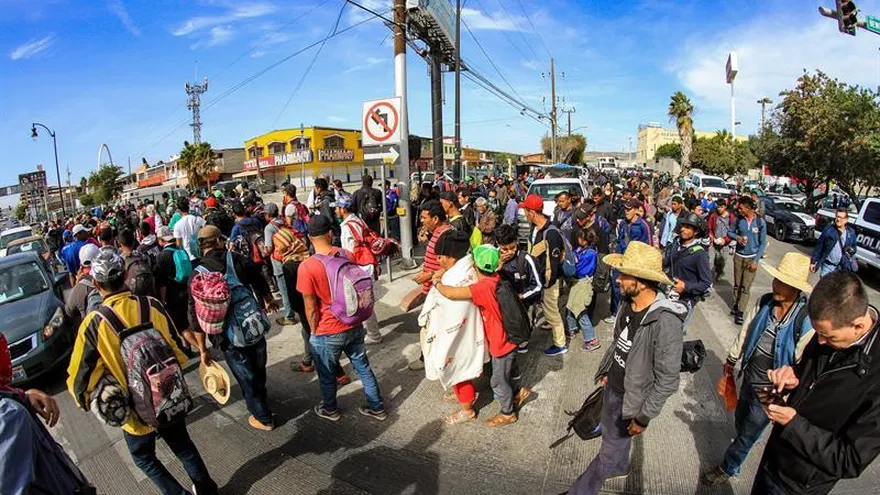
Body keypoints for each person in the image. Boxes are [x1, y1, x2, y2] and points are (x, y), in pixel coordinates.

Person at [67, 249, 218, 494]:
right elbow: (178, 348)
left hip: (134, 411)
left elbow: (80, 378)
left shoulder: (94, 323)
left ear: (96, 284)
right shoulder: (152, 305)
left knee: (144, 458)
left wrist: (88, 402)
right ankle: (206, 489)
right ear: (126, 275)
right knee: (183, 446)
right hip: (166, 394)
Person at [567, 241, 686, 495]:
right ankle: (620, 466)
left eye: (624, 275)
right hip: (613, 388)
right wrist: (608, 372)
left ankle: (581, 491)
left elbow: (667, 380)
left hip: (632, 401)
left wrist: (642, 418)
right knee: (613, 437)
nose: (618, 280)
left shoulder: (665, 322)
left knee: (607, 452)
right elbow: (619, 344)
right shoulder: (627, 303)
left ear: (642, 282)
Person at [751, 271, 880, 495]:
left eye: (828, 337)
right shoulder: (829, 330)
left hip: (799, 485)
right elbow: (812, 369)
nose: (820, 341)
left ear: (858, 326)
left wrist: (793, 424)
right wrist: (794, 373)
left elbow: (849, 459)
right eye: (818, 334)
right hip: (775, 456)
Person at [700, 252, 814, 486]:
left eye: (783, 282)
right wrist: (732, 359)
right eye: (776, 279)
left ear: (796, 288)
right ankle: (740, 450)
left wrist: (789, 392)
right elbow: (746, 331)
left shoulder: (804, 319)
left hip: (771, 393)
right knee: (742, 420)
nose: (776, 285)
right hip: (750, 377)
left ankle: (727, 467)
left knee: (749, 433)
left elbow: (804, 363)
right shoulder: (765, 302)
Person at [297, 216, 387, 422]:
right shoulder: (345, 254)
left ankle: (331, 409)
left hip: (327, 329)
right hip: (353, 322)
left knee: (327, 375)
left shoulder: (307, 267)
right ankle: (377, 407)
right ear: (330, 233)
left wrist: (313, 333)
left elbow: (310, 309)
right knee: (363, 368)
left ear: (309, 238)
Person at [189, 226, 278, 431]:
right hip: (252, 325)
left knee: (245, 375)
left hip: (226, 336)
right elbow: (258, 278)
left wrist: (203, 348)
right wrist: (268, 299)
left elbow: (195, 316)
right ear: (219, 240)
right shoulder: (236, 259)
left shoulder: (197, 275)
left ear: (200, 246)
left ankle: (263, 417)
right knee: (258, 367)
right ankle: (261, 398)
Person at [433, 244, 532, 427]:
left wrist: (437, 282)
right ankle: (518, 392)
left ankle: (508, 412)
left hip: (501, 343)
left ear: (476, 267)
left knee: (498, 381)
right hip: (508, 338)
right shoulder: (495, 278)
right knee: (507, 372)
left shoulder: (483, 288)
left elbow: (451, 293)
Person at [418, 230, 484, 424]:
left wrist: (437, 283)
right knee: (459, 366)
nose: (438, 261)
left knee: (455, 364)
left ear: (452, 257)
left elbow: (452, 302)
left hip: (455, 333)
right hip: (464, 332)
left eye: (440, 257)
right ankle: (462, 396)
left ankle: (467, 410)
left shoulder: (455, 280)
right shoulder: (467, 269)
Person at [522, 193, 568, 356]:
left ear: (532, 212)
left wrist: (547, 283)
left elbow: (554, 263)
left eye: (525, 211)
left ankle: (560, 343)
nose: (524, 214)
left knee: (551, 312)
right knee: (530, 310)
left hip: (548, 282)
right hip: (535, 280)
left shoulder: (551, 233)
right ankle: (524, 340)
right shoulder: (534, 229)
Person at [335, 196, 383, 344]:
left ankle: (374, 335)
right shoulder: (357, 220)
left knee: (363, 302)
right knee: (364, 300)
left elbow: (348, 252)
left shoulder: (346, 227)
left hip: (359, 266)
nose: (335, 210)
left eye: (337, 207)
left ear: (343, 209)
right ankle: (370, 329)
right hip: (368, 264)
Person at [606, 198, 653, 324]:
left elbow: (648, 246)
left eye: (629, 209)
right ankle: (615, 313)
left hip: (635, 264)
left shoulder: (644, 226)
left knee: (631, 290)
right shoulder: (622, 224)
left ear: (637, 210)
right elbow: (619, 241)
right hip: (621, 261)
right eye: (625, 209)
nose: (626, 211)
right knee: (616, 287)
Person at [662, 212, 712, 324]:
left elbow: (706, 283)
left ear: (696, 232)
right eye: (683, 226)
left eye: (688, 227)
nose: (683, 229)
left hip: (684, 301)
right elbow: (667, 262)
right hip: (668, 295)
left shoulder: (700, 254)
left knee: (674, 335)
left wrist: (686, 286)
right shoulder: (676, 244)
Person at [731, 197, 767, 325]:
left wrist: (756, 260)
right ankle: (735, 305)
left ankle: (740, 312)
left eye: (741, 208)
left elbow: (763, 244)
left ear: (748, 208)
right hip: (739, 256)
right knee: (737, 284)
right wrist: (738, 237)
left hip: (751, 258)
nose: (738, 210)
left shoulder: (760, 222)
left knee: (746, 287)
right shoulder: (738, 220)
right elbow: (730, 232)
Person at [262, 203, 297, 327]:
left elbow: (269, 248)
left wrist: (263, 251)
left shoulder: (269, 228)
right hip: (291, 259)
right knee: (293, 288)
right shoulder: (283, 223)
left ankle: (289, 316)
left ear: (267, 215)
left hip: (279, 264)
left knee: (284, 291)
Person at [567, 229, 599, 351]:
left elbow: (580, 269)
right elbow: (575, 254)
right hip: (577, 282)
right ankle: (572, 329)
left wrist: (573, 262)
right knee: (570, 307)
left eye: (580, 237)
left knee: (580, 311)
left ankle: (592, 339)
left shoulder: (591, 253)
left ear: (585, 239)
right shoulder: (581, 249)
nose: (578, 239)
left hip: (583, 283)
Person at [63, 243, 101, 329]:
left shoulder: (81, 286)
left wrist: (77, 283)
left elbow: (69, 311)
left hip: (95, 332)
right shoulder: (111, 275)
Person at [811, 208, 858, 277]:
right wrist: (813, 261)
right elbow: (819, 246)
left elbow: (854, 247)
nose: (838, 219)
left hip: (842, 268)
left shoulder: (851, 232)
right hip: (828, 266)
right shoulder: (829, 229)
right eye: (837, 217)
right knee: (825, 287)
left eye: (841, 218)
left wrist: (851, 250)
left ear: (846, 220)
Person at [707, 199, 734, 280]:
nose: (719, 209)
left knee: (723, 259)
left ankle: (720, 272)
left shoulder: (730, 217)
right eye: (718, 207)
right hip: (715, 242)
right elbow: (709, 227)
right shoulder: (713, 216)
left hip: (725, 243)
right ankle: (717, 269)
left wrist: (726, 239)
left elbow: (733, 230)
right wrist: (712, 237)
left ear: (725, 207)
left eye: (721, 207)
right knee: (715, 259)